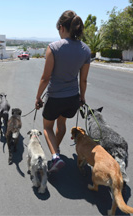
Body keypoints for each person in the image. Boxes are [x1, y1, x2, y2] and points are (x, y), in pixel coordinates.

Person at [35, 10, 91, 172]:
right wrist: (82, 97)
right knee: (62, 123)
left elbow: (45, 78)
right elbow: (84, 80)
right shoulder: (85, 50)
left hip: (55, 98)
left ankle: (55, 156)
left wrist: (38, 97)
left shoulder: (53, 48)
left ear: (61, 27)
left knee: (47, 127)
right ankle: (56, 152)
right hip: (72, 98)